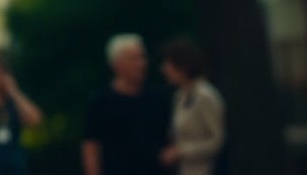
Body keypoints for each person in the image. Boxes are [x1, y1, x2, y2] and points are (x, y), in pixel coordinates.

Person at [82, 34, 172, 175]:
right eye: (134, 58)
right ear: (116, 64)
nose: (142, 63)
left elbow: (172, 137)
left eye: (142, 57)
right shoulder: (99, 102)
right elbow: (91, 147)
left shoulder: (159, 98)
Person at [158, 40, 224, 175]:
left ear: (182, 66)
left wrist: (181, 151)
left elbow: (217, 140)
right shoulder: (180, 96)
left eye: (168, 63)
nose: (164, 69)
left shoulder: (205, 96)